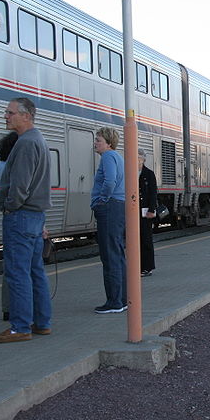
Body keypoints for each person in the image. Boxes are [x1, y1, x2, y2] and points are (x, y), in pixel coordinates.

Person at [0, 98, 52, 344]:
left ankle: (19, 327)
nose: (6, 116)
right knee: (35, 271)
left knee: (17, 273)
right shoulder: (38, 140)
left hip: (21, 216)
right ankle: (42, 322)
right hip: (36, 216)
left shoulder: (26, 143)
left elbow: (20, 186)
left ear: (26, 116)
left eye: (10, 112)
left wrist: (9, 207)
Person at [91, 127, 127, 314]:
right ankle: (122, 298)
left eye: (98, 140)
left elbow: (110, 181)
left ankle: (114, 302)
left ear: (108, 143)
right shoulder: (118, 157)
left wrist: (100, 200)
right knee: (118, 253)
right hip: (118, 207)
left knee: (109, 255)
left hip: (109, 208)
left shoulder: (107, 157)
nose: (95, 143)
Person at [0, 131, 19, 322]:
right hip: (18, 217)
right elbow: (16, 192)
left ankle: (8, 307)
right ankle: (14, 307)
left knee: (10, 264)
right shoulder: (12, 167)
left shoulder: (1, 165)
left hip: (10, 216)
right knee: (19, 265)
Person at [137, 149, 158, 277]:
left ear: (144, 159)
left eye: (140, 157)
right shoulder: (130, 172)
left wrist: (151, 210)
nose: (137, 159)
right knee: (135, 240)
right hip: (133, 211)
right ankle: (137, 266)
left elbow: (153, 193)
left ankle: (147, 267)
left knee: (146, 238)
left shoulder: (149, 174)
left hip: (145, 212)